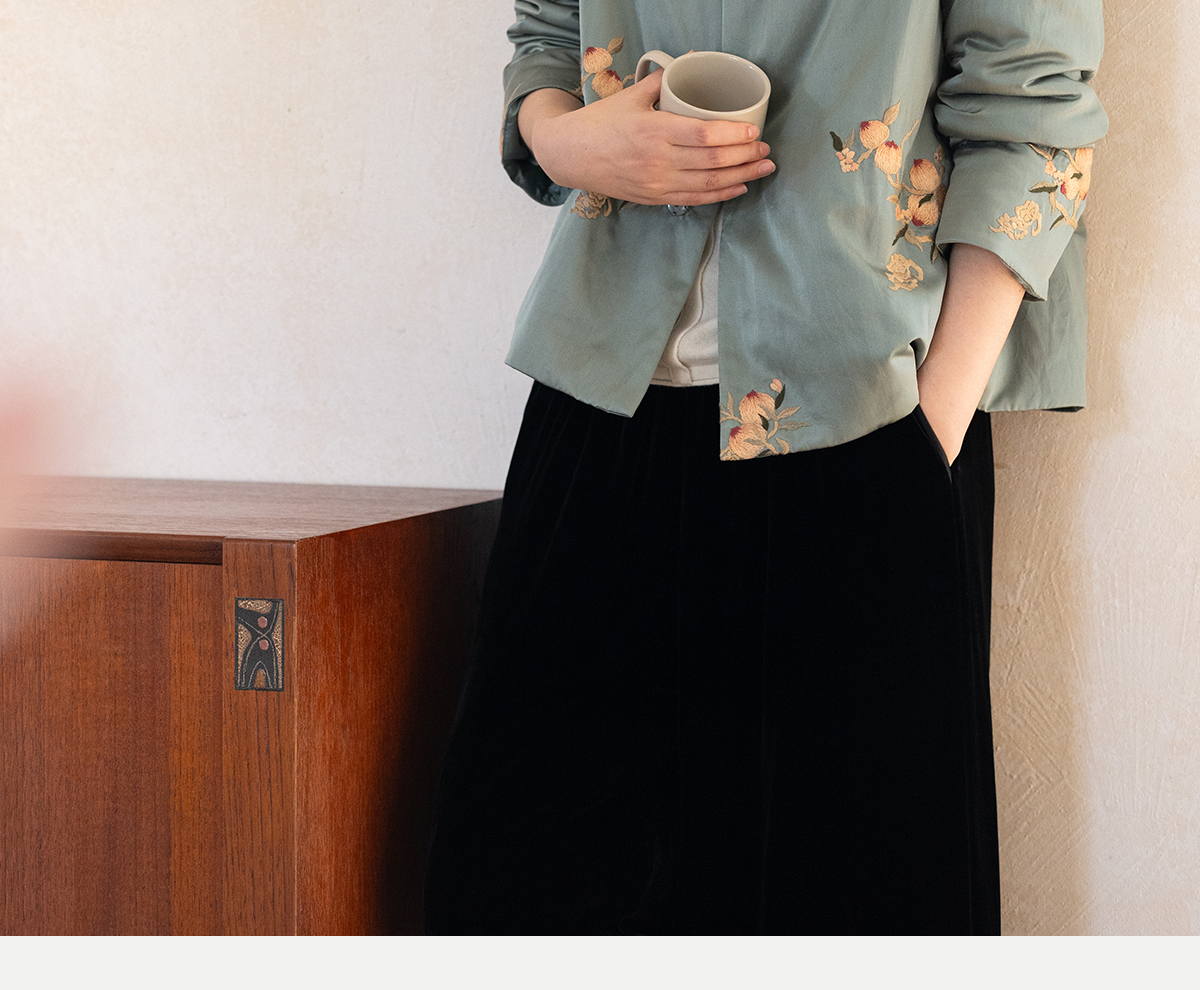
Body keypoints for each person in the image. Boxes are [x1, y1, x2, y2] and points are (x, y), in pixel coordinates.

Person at [423, 0, 1107, 934]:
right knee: (523, 883)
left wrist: (927, 437)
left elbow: (1034, 105)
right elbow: (549, 28)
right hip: (601, 393)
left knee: (851, 902)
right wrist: (561, 141)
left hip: (863, 417)